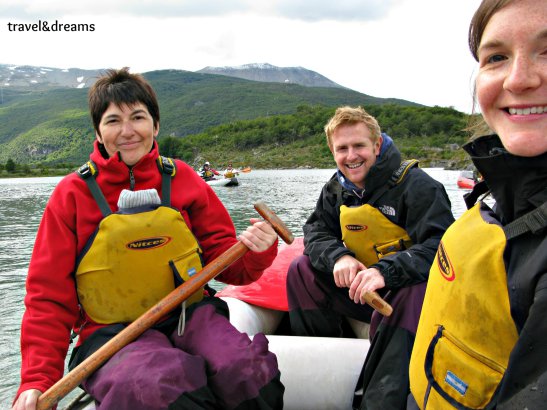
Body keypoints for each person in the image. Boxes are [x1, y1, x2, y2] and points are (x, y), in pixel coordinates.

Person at [12, 68, 284, 410]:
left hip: (190, 316)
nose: (127, 131)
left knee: (246, 370)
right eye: (113, 121)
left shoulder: (184, 178)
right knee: (155, 384)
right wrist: (37, 379)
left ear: (155, 125)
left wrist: (257, 251)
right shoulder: (72, 194)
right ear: (98, 130)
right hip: (110, 334)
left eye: (137, 117)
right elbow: (48, 298)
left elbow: (228, 266)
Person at [409, 0, 546, 408]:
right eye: (497, 57)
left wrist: (385, 270)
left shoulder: (418, 188)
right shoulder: (500, 195)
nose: (518, 79)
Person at [286, 106, 455, 409]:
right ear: (332, 151)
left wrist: (385, 272)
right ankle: (320, 365)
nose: (351, 156)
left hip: (408, 303)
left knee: (413, 289)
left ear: (377, 145)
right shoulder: (335, 190)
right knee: (301, 269)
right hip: (360, 295)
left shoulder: (419, 186)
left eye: (359, 146)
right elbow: (315, 232)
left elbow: (442, 247)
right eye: (342, 148)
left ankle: (382, 399)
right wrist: (339, 257)